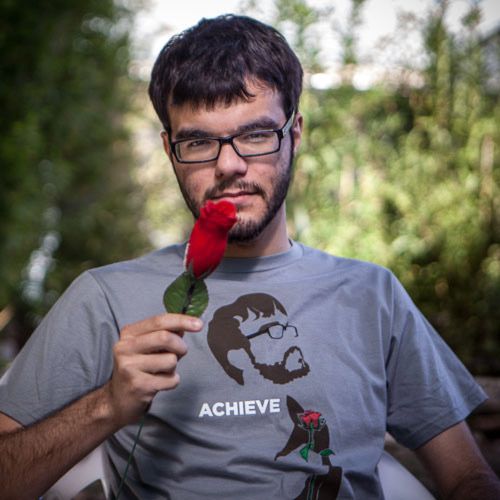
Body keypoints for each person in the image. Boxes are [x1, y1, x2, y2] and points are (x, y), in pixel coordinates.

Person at [0, 14, 499, 500]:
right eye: (198, 141)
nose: (229, 165)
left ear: (294, 134)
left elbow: (467, 478)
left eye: (255, 135)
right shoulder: (104, 298)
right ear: (170, 150)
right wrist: (107, 406)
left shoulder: (373, 295)